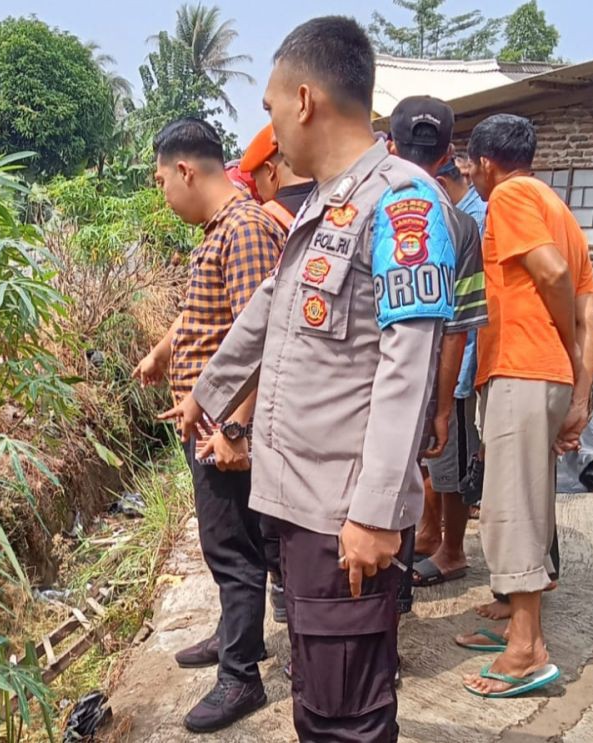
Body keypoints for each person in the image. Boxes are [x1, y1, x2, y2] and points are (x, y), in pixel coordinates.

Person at [163, 17, 455, 740]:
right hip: (301, 507)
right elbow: (270, 311)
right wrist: (207, 391)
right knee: (319, 702)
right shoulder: (325, 204)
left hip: (343, 512)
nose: (266, 125)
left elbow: (406, 366)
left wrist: (379, 512)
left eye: (266, 107)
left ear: (302, 99)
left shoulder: (403, 203)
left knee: (348, 713)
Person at [133, 117, 283, 733]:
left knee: (234, 549)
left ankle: (241, 676)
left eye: (162, 181)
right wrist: (164, 353)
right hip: (207, 422)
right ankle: (231, 637)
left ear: (185, 170)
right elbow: (207, 313)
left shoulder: (244, 230)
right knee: (230, 542)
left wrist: (236, 428)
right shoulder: (220, 230)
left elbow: (262, 335)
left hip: (225, 428)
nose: (163, 194)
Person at [461, 113, 593, 698]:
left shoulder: (511, 196)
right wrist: (578, 389)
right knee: (530, 498)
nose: (469, 175)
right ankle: (517, 621)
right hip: (543, 377)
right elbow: (590, 311)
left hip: (522, 366)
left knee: (510, 509)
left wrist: (564, 357)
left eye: (470, 165)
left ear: (486, 164)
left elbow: (554, 274)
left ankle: (527, 648)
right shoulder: (558, 208)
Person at [382, 103, 488, 590]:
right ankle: (406, 579)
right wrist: (443, 407)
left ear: (388, 147)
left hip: (376, 383)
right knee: (423, 472)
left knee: (400, 478)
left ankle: (440, 555)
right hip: (434, 380)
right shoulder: (461, 225)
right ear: (448, 153)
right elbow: (457, 328)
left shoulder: (367, 208)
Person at [239, 122, 316, 624]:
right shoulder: (327, 205)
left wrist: (233, 421)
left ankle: (294, 613)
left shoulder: (271, 218)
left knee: (280, 524)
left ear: (271, 168)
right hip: (319, 393)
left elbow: (255, 327)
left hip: (282, 397)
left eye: (255, 183)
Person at [240, 122, 315, 231]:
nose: (255, 189)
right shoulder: (336, 200)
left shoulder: (262, 220)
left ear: (270, 170)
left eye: (255, 179)